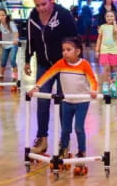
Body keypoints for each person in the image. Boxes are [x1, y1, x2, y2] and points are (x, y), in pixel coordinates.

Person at [25, 0, 78, 154]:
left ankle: (64, 142)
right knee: (42, 101)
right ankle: (42, 139)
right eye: (37, 4)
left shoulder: (63, 14)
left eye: (44, 4)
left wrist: (77, 64)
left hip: (63, 65)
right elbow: (31, 39)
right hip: (43, 65)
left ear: (51, 0)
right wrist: (27, 59)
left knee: (64, 103)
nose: (41, 8)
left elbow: (75, 39)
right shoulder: (33, 16)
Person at [28, 36, 98, 168]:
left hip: (82, 101)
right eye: (63, 50)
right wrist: (37, 86)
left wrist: (93, 90)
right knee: (65, 129)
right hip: (66, 101)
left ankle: (81, 153)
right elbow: (48, 74)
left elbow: (92, 80)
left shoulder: (84, 65)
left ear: (77, 51)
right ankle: (64, 150)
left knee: (78, 128)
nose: (65, 52)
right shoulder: (61, 63)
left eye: (68, 49)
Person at [95, 10, 117, 98]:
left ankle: (113, 87)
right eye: (108, 16)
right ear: (105, 18)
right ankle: (105, 88)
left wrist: (114, 23)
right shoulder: (102, 27)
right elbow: (99, 39)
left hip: (114, 51)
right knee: (106, 69)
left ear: (115, 17)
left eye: (111, 16)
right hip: (104, 51)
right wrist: (97, 50)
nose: (109, 18)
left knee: (114, 71)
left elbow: (116, 31)